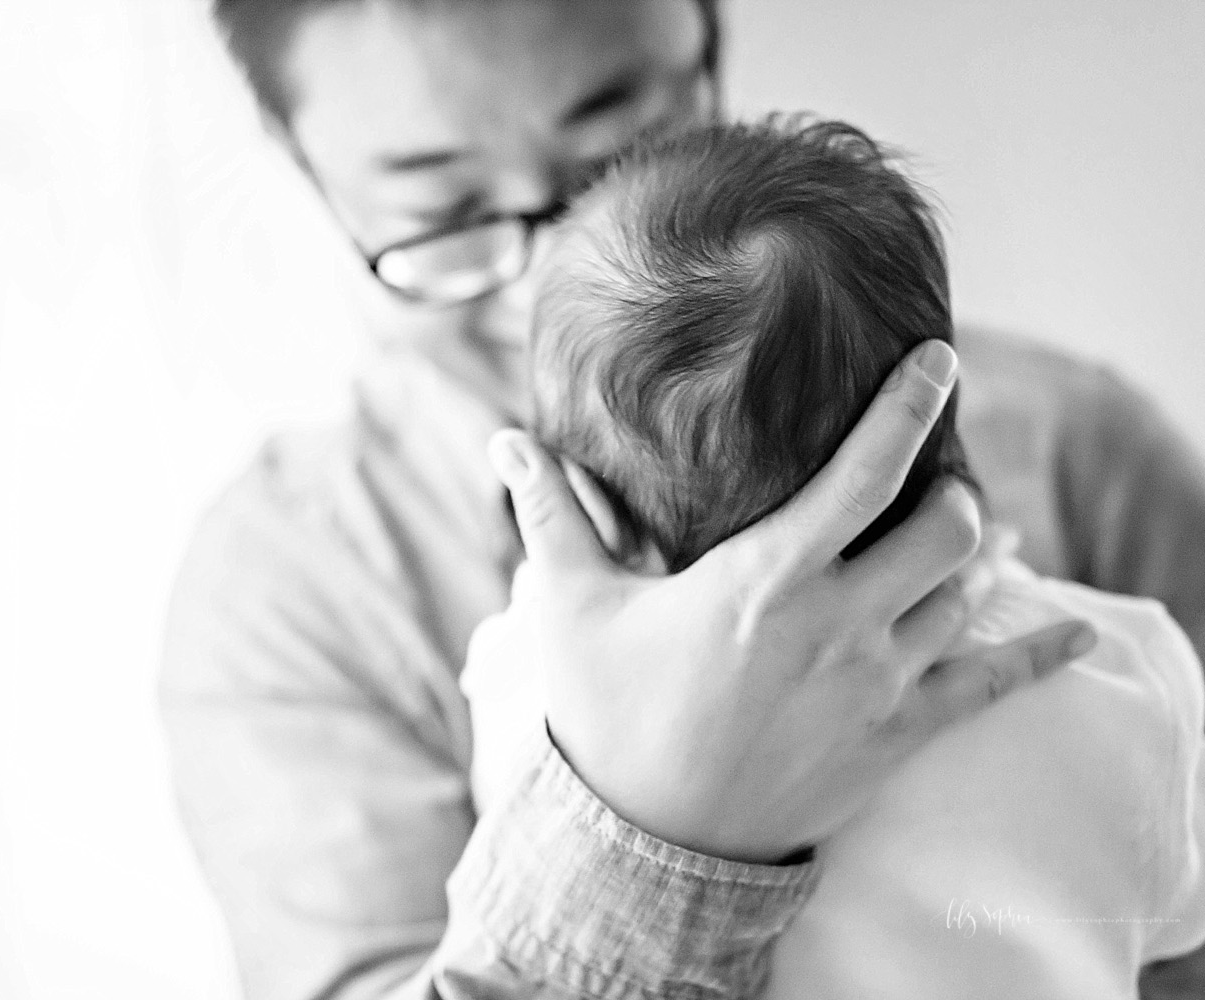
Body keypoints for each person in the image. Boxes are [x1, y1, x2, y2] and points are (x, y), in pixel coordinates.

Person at [159, 1, 1205, 997]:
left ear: (709, 49)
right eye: (446, 214)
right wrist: (657, 832)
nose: (543, 286)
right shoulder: (292, 601)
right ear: (307, 169)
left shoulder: (1083, 453)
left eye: (623, 159)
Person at [460, 117, 1205, 999]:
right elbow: (1170, 924)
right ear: (937, 427)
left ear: (578, 508)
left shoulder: (522, 680)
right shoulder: (1122, 673)